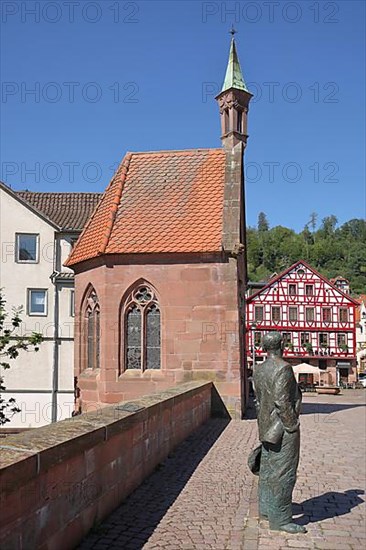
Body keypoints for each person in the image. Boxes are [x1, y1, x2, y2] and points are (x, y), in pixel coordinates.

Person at [252, 331, 306, 534]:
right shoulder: (283, 368)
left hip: (266, 428)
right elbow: (282, 402)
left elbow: (258, 400)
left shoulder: (259, 369)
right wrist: (292, 426)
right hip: (282, 428)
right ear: (281, 345)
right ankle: (281, 519)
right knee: (284, 473)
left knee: (267, 470)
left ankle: (266, 510)